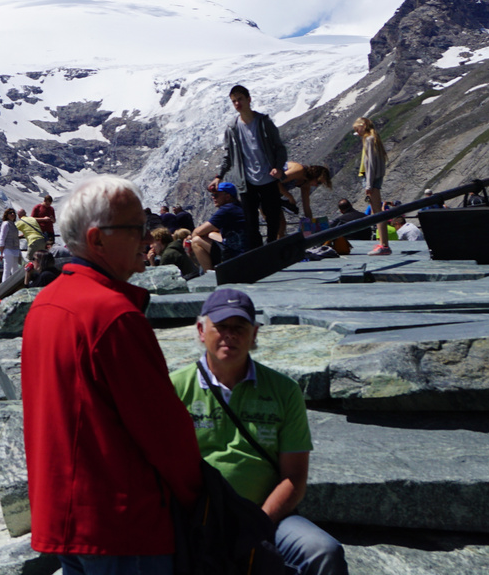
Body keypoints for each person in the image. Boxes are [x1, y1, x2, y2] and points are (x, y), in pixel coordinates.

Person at [23, 176, 203, 570]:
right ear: (97, 239)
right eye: (135, 228)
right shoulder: (113, 315)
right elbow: (163, 431)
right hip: (124, 527)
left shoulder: (45, 304)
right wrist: (198, 497)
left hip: (64, 522)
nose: (147, 237)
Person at [171, 288, 347, 575]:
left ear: (254, 334)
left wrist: (256, 524)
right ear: (202, 331)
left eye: (239, 327)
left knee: (323, 551)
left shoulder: (283, 391)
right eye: (221, 326)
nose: (230, 335)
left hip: (265, 515)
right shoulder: (174, 388)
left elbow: (294, 478)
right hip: (194, 518)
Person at [212, 84, 289, 251]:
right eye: (234, 101)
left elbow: (280, 148)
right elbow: (229, 155)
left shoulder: (263, 122)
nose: (237, 104)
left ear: (249, 99)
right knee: (250, 220)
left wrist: (278, 167)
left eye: (240, 99)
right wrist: (220, 175)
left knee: (273, 217)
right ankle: (258, 253)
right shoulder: (232, 128)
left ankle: (272, 247)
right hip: (246, 181)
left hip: (268, 178)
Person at [187, 182, 248, 272]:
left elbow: (198, 232)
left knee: (196, 241)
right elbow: (212, 229)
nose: (213, 197)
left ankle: (211, 275)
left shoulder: (226, 209)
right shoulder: (237, 207)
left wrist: (190, 238)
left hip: (234, 255)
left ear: (227, 196)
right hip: (244, 251)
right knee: (211, 234)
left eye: (216, 195)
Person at [352, 116, 390, 255]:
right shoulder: (374, 138)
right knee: (376, 211)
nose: (358, 133)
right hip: (374, 179)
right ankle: (382, 244)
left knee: (377, 212)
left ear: (362, 126)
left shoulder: (369, 139)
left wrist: (368, 184)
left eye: (357, 130)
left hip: (370, 179)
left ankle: (384, 246)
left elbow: (370, 164)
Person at [277, 163, 333, 228]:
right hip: (266, 185)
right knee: (279, 225)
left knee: (281, 226)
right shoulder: (299, 170)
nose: (316, 185)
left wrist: (311, 225)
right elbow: (277, 181)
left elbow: (306, 206)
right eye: (318, 182)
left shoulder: (305, 184)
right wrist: (290, 197)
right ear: (315, 175)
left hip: (273, 194)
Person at [0, 208, 23, 282]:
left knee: (15, 270)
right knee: (7, 270)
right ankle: (4, 288)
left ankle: (13, 287)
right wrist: (1, 252)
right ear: (6, 215)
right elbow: (2, 237)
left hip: (15, 249)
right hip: (8, 249)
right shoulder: (6, 224)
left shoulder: (14, 225)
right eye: (10, 213)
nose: (12, 214)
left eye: (13, 213)